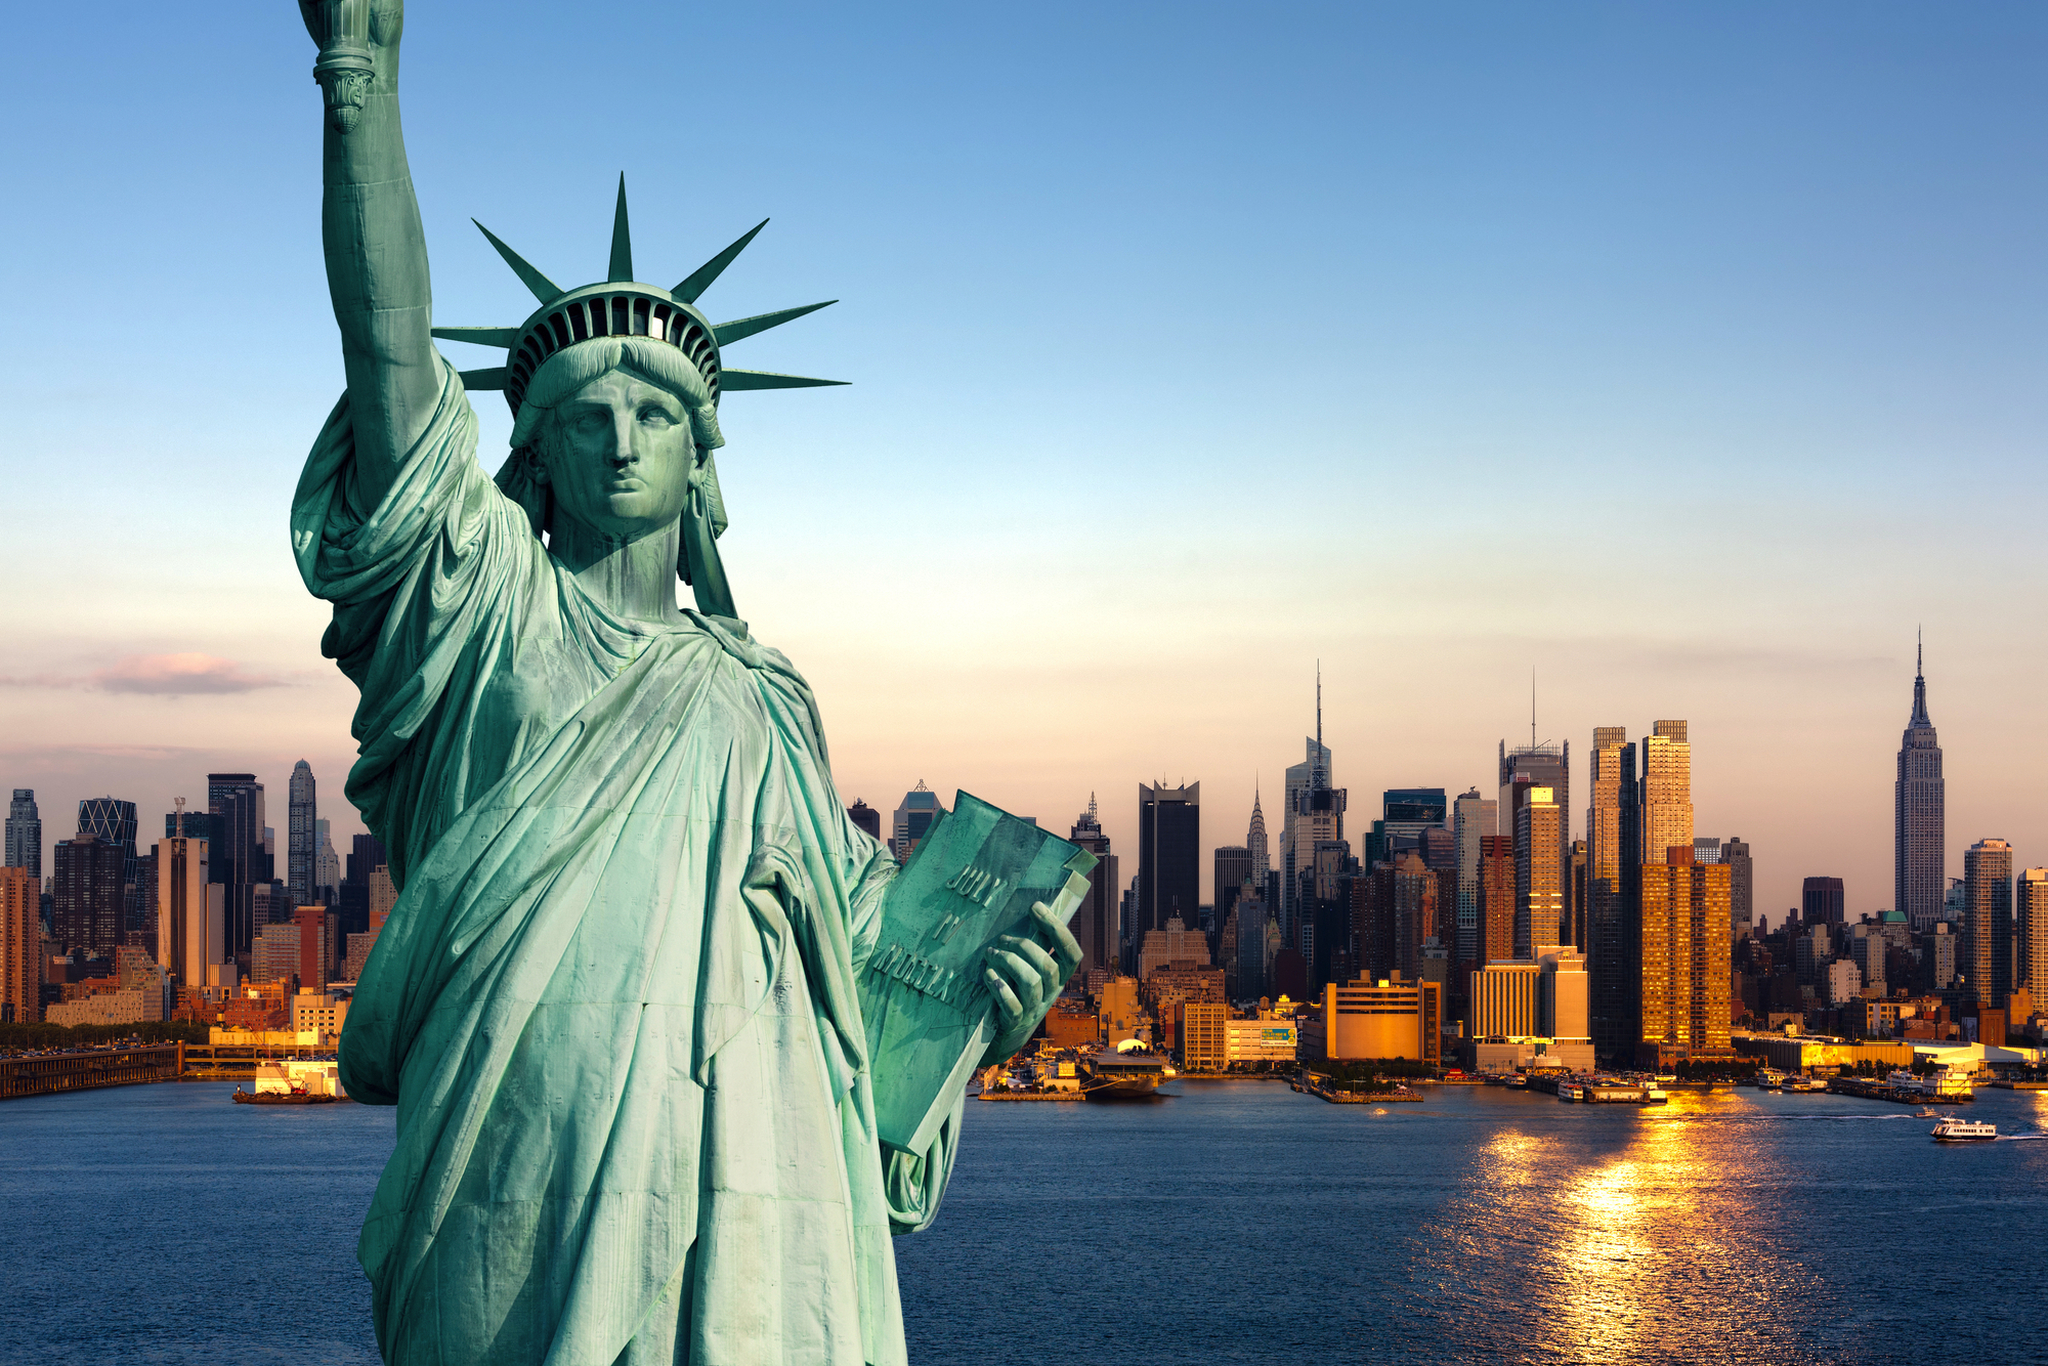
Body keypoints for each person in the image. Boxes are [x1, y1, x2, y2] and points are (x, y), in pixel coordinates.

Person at [290, 4, 1078, 1362]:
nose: (619, 438)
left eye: (654, 412)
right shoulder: (483, 615)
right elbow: (392, 357)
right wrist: (361, 77)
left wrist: (983, 1002)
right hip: (516, 1178)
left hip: (768, 1205)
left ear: (701, 461)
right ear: (528, 458)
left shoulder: (766, 697)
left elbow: (867, 961)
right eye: (584, 415)